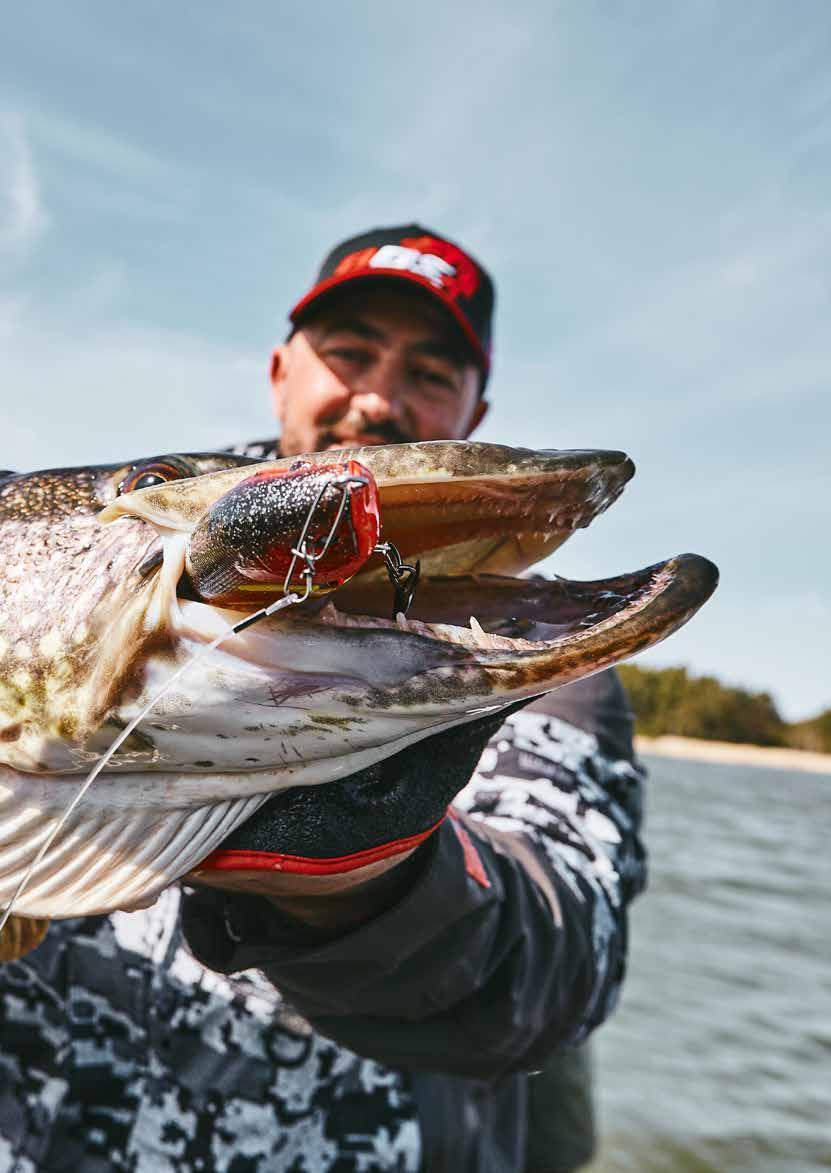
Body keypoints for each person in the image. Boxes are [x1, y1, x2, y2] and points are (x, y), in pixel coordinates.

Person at [0, 226, 646, 1173]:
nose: (379, 398)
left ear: (474, 410)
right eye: (350, 352)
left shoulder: (534, 655)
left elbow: (559, 961)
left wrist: (360, 880)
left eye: (430, 371)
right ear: (281, 371)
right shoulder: (123, 513)